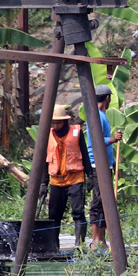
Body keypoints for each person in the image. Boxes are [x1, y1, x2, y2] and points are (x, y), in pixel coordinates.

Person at [41, 104, 92, 249]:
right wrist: (43, 184)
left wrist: (91, 176)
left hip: (75, 179)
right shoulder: (47, 135)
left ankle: (79, 245)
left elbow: (85, 154)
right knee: (54, 215)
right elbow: (44, 161)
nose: (56, 125)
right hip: (56, 181)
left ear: (65, 121)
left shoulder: (76, 132)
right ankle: (54, 246)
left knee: (78, 212)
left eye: (58, 122)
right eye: (53, 122)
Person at [87, 84, 123, 249]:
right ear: (107, 98)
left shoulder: (101, 115)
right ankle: (97, 240)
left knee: (104, 202)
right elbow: (96, 141)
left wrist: (114, 164)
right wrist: (113, 139)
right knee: (99, 201)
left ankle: (101, 239)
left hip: (105, 165)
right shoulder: (96, 116)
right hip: (97, 165)